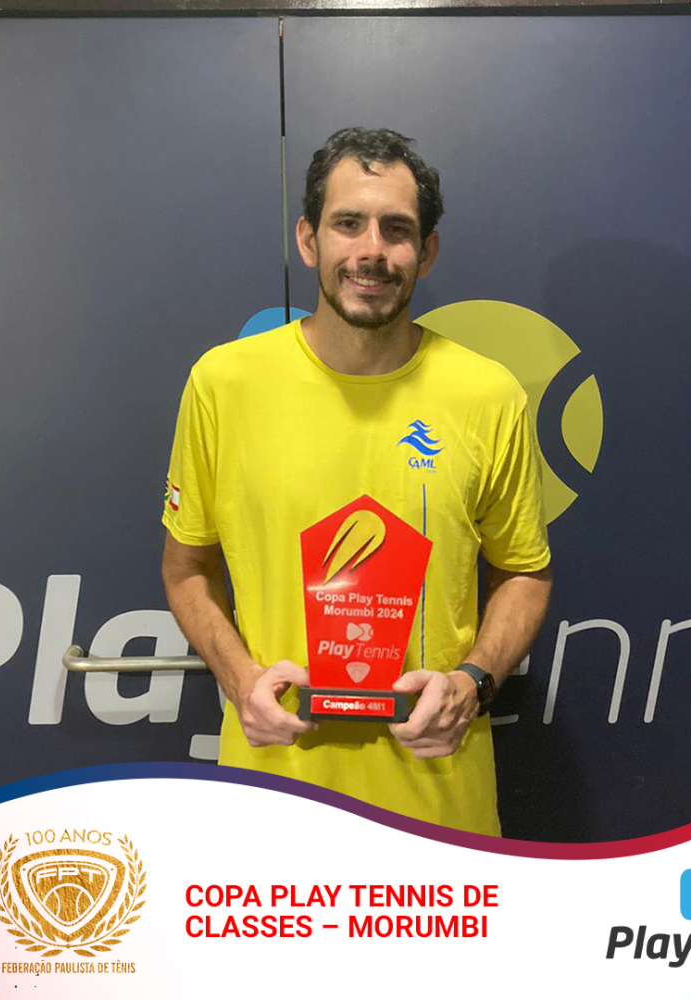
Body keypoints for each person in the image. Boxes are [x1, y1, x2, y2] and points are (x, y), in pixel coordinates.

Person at [161, 127, 552, 836]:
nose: (372, 250)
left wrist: (472, 683)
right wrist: (239, 681)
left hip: (441, 811)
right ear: (309, 241)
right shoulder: (223, 384)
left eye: (396, 229)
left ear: (426, 252)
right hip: (273, 803)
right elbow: (186, 568)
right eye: (348, 223)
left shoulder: (487, 394)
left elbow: (525, 571)